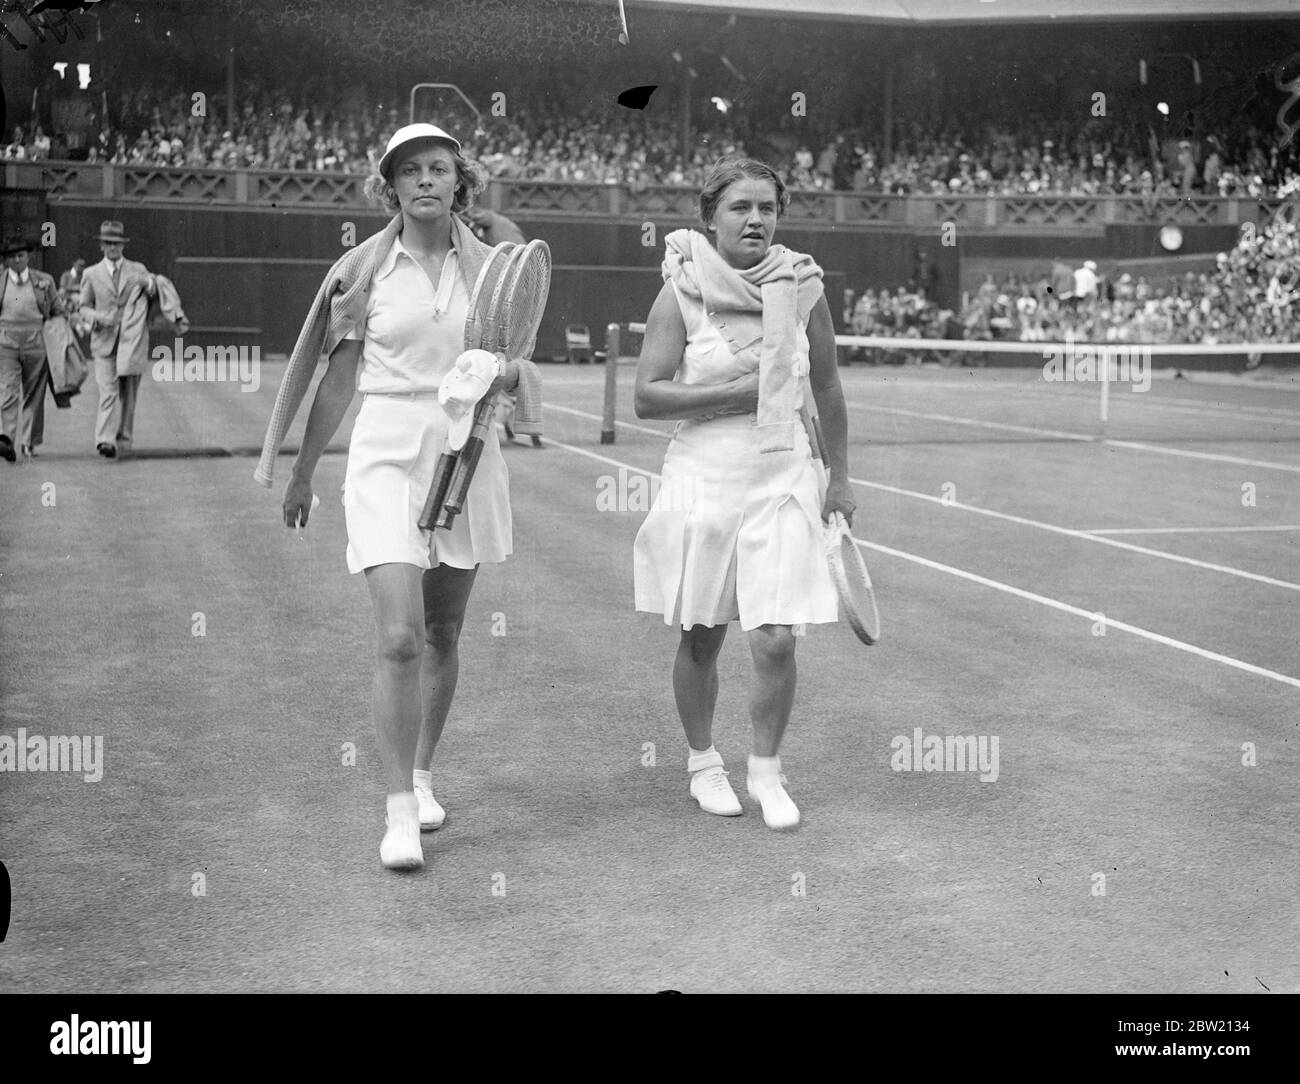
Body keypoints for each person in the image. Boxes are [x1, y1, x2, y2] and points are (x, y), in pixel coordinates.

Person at [254, 123, 543, 871]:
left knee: (444, 634)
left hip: (467, 453)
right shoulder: (364, 270)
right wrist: (301, 470)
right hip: (385, 450)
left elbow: (516, 368)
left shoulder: (492, 269)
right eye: (409, 170)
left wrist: (506, 379)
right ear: (390, 186)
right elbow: (339, 377)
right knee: (399, 637)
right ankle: (397, 814)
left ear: (459, 182)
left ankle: (420, 773)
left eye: (438, 169)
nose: (424, 180)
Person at [632, 156, 854, 830]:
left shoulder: (804, 288)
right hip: (706, 472)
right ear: (710, 219)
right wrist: (738, 391)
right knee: (702, 635)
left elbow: (827, 387)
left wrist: (840, 476)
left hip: (784, 469)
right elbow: (648, 395)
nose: (756, 219)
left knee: (778, 638)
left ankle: (766, 770)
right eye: (740, 208)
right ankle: (704, 763)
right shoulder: (679, 292)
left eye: (767, 208)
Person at [78, 220, 158, 460]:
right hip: (104, 342)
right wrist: (99, 317)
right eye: (108, 243)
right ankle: (105, 440)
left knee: (129, 395)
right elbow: (83, 307)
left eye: (117, 243)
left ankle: (124, 440)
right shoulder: (91, 273)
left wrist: (147, 283)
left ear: (123, 245)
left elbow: (155, 290)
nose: (113, 248)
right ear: (101, 246)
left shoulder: (138, 269)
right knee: (108, 392)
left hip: (132, 342)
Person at [0, 233, 65, 462]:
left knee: (34, 395)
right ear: (6, 260)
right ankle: (6, 439)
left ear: (28, 256)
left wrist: (55, 334)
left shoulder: (43, 280)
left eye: (20, 255)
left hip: (36, 342)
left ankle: (29, 442)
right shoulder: (1, 280)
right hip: (6, 342)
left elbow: (58, 311)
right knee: (8, 391)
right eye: (11, 257)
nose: (16, 260)